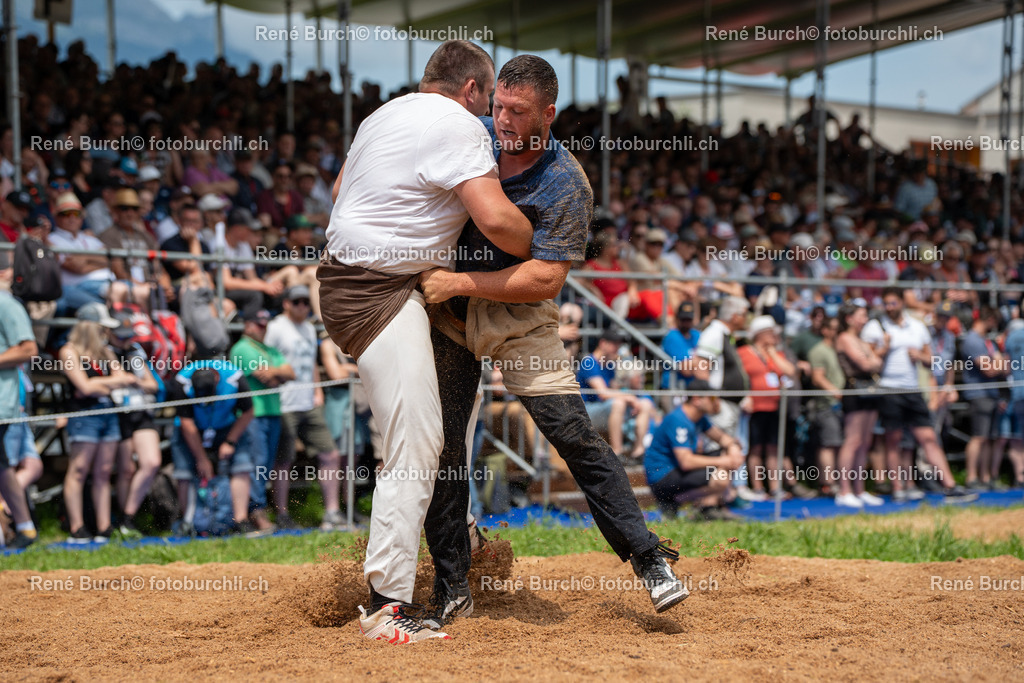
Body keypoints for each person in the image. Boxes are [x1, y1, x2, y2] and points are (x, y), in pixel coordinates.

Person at [419, 54, 688, 630]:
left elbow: (545, 279)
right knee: (443, 448)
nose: (503, 120)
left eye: (518, 111)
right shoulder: (470, 132)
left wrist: (457, 282)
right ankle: (451, 585)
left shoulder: (567, 182)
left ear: (549, 113)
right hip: (447, 314)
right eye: (498, 106)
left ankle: (649, 559)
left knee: (573, 434)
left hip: (518, 314)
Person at [316, 40, 534, 643]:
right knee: (416, 440)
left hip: (366, 282)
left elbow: (339, 194)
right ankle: (386, 607)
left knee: (441, 426)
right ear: (471, 90)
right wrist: (553, 242)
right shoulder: (458, 123)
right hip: (377, 293)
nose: (491, 115)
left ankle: (458, 536)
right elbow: (497, 222)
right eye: (489, 101)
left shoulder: (381, 116)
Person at [861, 288, 977, 503]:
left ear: (902, 303)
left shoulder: (917, 327)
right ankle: (898, 488)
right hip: (889, 389)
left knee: (929, 438)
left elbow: (931, 361)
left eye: (893, 303)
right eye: (886, 303)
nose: (889, 307)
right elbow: (867, 362)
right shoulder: (875, 327)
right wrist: (884, 348)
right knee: (893, 441)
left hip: (913, 390)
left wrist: (920, 356)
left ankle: (950, 486)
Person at [264, 286, 344, 532]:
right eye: (297, 301)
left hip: (309, 402)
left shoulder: (310, 328)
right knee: (283, 461)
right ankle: (282, 515)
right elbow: (266, 361)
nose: (302, 306)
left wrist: (317, 391)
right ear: (286, 303)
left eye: (305, 302)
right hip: (284, 403)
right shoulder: (275, 328)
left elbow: (310, 363)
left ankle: (332, 513)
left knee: (330, 454)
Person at [60, 304, 139, 543]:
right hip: (84, 416)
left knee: (104, 472)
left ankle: (105, 527)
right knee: (78, 470)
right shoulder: (69, 352)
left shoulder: (104, 351)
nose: (106, 332)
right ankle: (77, 527)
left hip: (108, 413)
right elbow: (84, 387)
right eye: (103, 327)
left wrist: (98, 385)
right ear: (91, 328)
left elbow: (124, 378)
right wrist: (108, 383)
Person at [168, 361, 258, 536]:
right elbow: (187, 423)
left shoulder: (234, 378)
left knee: (241, 465)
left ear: (217, 379)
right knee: (184, 472)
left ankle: (241, 520)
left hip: (226, 426)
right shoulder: (181, 382)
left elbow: (248, 412)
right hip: (192, 429)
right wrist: (202, 459)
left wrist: (230, 442)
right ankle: (188, 523)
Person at [229, 309, 294, 532]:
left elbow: (291, 373)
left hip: (272, 412)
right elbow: (268, 379)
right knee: (256, 464)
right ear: (247, 325)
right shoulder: (241, 349)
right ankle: (255, 511)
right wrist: (278, 374)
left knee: (265, 465)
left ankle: (260, 509)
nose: (263, 328)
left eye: (266, 325)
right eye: (259, 324)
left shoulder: (268, 349)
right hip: (252, 415)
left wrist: (276, 373)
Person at [644, 380, 744, 520]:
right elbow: (686, 462)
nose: (717, 402)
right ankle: (673, 502)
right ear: (697, 400)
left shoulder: (699, 418)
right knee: (720, 476)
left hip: (678, 471)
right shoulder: (678, 420)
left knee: (727, 456)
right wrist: (724, 461)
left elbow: (722, 438)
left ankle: (709, 507)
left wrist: (733, 449)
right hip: (662, 478)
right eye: (712, 398)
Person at [108, 310, 163, 538]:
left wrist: (133, 381)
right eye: (119, 336)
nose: (125, 340)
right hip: (118, 413)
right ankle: (124, 521)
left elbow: (152, 385)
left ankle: (128, 516)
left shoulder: (135, 351)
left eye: (127, 335)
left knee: (151, 462)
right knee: (126, 470)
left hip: (141, 412)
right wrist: (130, 380)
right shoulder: (104, 351)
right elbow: (119, 378)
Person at [737, 315, 802, 499]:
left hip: (775, 407)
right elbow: (739, 377)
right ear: (760, 334)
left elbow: (791, 371)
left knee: (774, 448)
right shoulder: (744, 352)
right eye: (770, 333)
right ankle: (758, 487)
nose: (774, 336)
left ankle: (775, 488)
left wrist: (772, 353)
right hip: (755, 408)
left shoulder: (776, 353)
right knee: (756, 448)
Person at [0, 261, 39, 549]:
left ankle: (24, 528)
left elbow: (28, 349)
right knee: (2, 465)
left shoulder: (5, 304)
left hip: (3, 401)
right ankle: (25, 529)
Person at [577, 328, 658, 460]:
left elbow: (615, 389)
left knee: (645, 404)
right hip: (586, 412)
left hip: (605, 408)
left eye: (619, 344)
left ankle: (638, 452)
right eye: (615, 344)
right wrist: (629, 398)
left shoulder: (609, 364)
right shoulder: (589, 362)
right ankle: (617, 452)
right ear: (603, 343)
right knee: (618, 403)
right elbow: (603, 393)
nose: (618, 348)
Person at [959, 307, 1007, 490]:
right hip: (978, 394)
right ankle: (971, 478)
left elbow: (1002, 368)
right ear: (990, 319)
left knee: (987, 438)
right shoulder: (972, 340)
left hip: (991, 393)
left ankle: (985, 478)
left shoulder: (987, 341)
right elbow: (990, 370)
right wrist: (1001, 361)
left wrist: (999, 363)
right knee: (979, 437)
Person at [806, 316, 845, 498]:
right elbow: (817, 377)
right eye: (834, 329)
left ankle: (835, 481)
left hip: (839, 405)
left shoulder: (836, 349)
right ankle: (827, 483)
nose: (837, 333)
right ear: (825, 330)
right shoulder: (818, 351)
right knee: (828, 443)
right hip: (826, 405)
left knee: (837, 443)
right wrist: (834, 391)